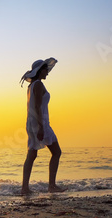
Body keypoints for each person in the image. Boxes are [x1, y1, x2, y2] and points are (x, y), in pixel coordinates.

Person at [20, 58, 66, 195]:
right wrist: (41, 126)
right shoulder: (38, 84)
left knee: (32, 154)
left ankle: (25, 188)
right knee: (56, 152)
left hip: (31, 122)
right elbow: (37, 107)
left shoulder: (31, 85)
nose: (48, 72)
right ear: (40, 71)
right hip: (40, 123)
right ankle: (51, 186)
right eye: (46, 70)